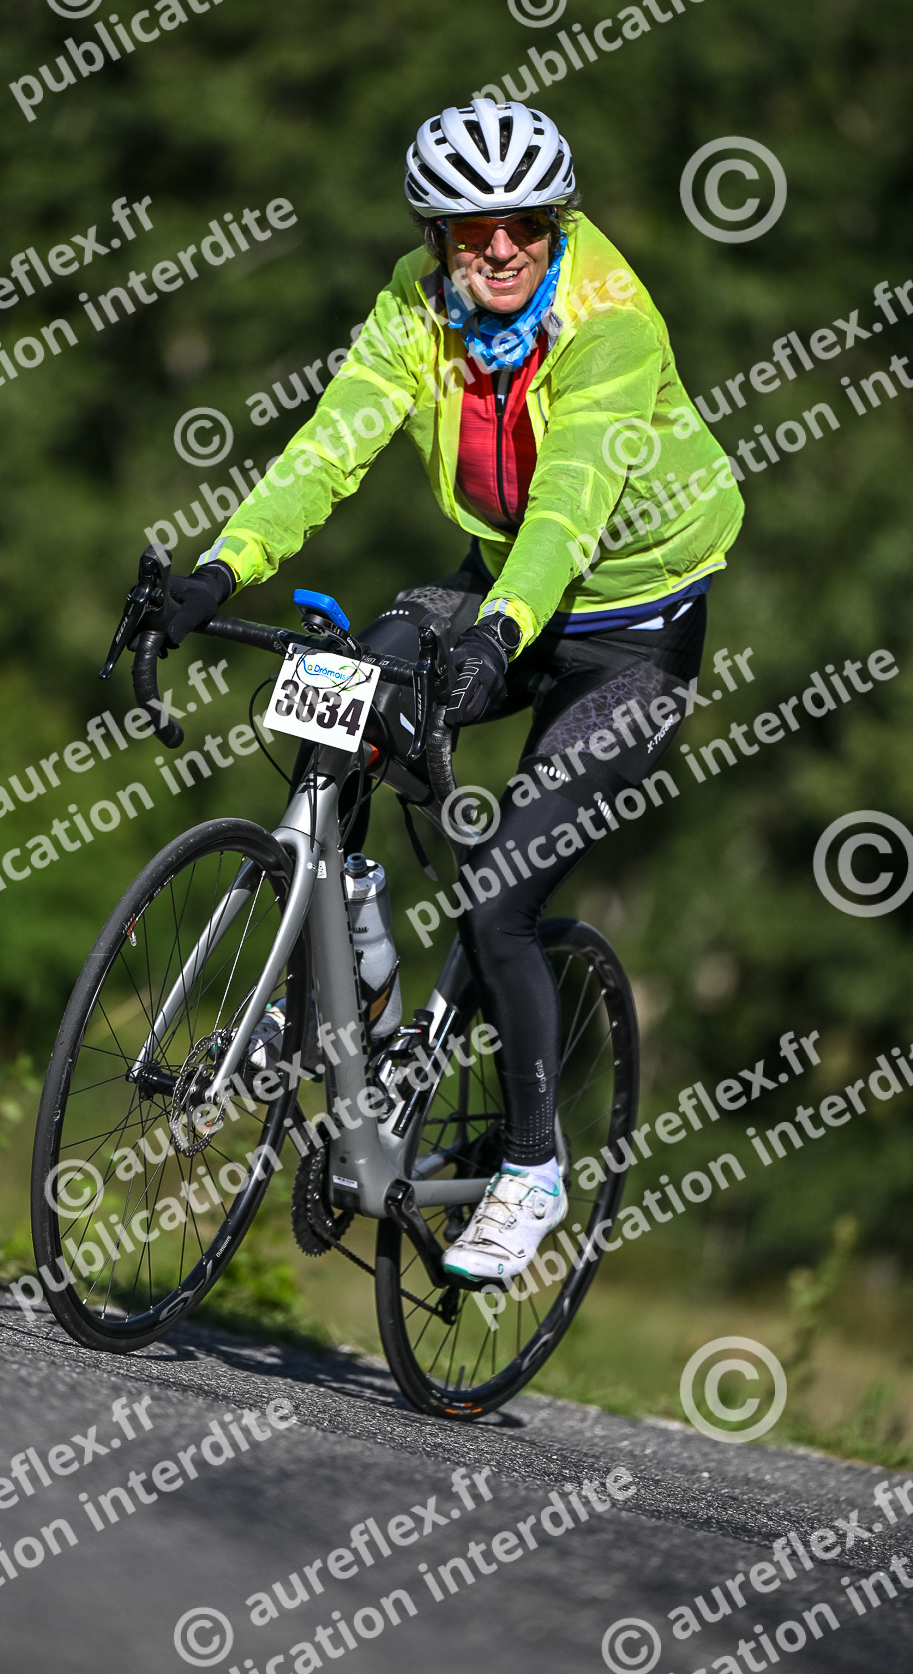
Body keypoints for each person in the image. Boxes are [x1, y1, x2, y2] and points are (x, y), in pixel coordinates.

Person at [163, 99, 743, 1282]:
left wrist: (494, 639)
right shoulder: (415, 305)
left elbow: (567, 513)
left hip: (628, 629)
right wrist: (218, 568)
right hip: (504, 580)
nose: (500, 248)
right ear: (434, 239)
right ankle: (355, 973)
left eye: (525, 224)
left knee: (498, 897)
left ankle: (531, 1168)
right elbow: (328, 448)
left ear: (556, 223)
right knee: (344, 684)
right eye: (471, 230)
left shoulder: (609, 325)